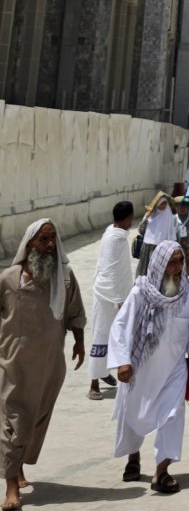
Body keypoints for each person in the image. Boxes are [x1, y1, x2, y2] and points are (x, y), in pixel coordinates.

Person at [0, 220, 86, 511]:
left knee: (34, 420)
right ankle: (11, 487)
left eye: (52, 239)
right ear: (29, 244)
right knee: (14, 422)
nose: (49, 245)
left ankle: (18, 466)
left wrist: (79, 342)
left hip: (49, 365)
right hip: (12, 366)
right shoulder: (8, 278)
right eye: (43, 239)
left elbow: (75, 311)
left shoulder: (64, 278)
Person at [108, 240, 189, 493]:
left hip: (174, 368)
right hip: (142, 366)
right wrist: (123, 361)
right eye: (172, 262)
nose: (178, 267)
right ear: (159, 264)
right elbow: (120, 325)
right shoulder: (141, 292)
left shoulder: (188, 290)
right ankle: (133, 456)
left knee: (173, 414)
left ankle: (162, 471)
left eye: (180, 261)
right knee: (133, 412)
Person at [88, 200, 134, 400]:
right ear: (127, 218)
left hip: (117, 295)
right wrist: (120, 300)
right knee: (101, 335)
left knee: (119, 336)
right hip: (107, 296)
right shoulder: (114, 239)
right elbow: (110, 271)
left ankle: (105, 371)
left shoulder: (114, 233)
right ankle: (93, 383)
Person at [136, 193, 175, 277]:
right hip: (148, 248)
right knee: (145, 271)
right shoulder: (150, 215)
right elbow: (141, 230)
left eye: (165, 203)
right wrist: (146, 218)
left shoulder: (169, 216)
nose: (163, 206)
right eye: (161, 203)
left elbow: (172, 234)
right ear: (157, 204)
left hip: (162, 249)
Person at [174, 196, 189, 276]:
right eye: (180, 206)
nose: (182, 208)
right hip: (176, 250)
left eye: (185, 206)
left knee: (188, 272)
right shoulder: (173, 219)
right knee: (176, 271)